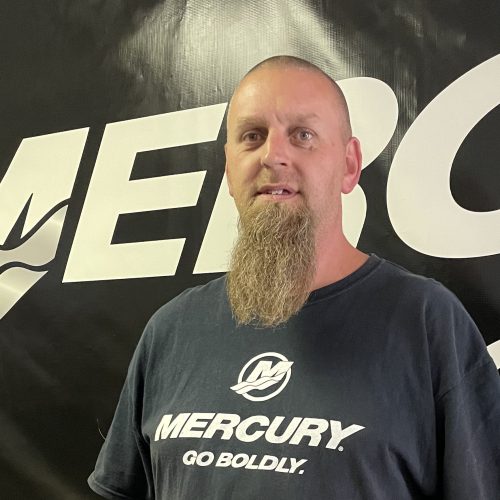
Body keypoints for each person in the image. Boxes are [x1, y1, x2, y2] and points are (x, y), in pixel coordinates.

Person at [88, 56, 500, 499]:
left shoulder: (427, 323)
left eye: (303, 135)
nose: (273, 155)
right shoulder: (171, 331)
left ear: (349, 166)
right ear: (228, 169)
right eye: (252, 136)